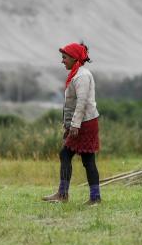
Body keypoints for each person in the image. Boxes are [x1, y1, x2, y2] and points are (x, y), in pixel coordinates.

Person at [42, 41, 101, 205]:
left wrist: (75, 125)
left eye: (64, 57)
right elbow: (72, 104)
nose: (62, 61)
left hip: (84, 123)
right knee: (84, 158)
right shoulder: (76, 74)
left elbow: (81, 103)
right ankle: (92, 197)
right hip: (83, 122)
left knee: (69, 155)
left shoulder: (82, 76)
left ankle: (65, 195)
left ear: (74, 58)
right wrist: (68, 125)